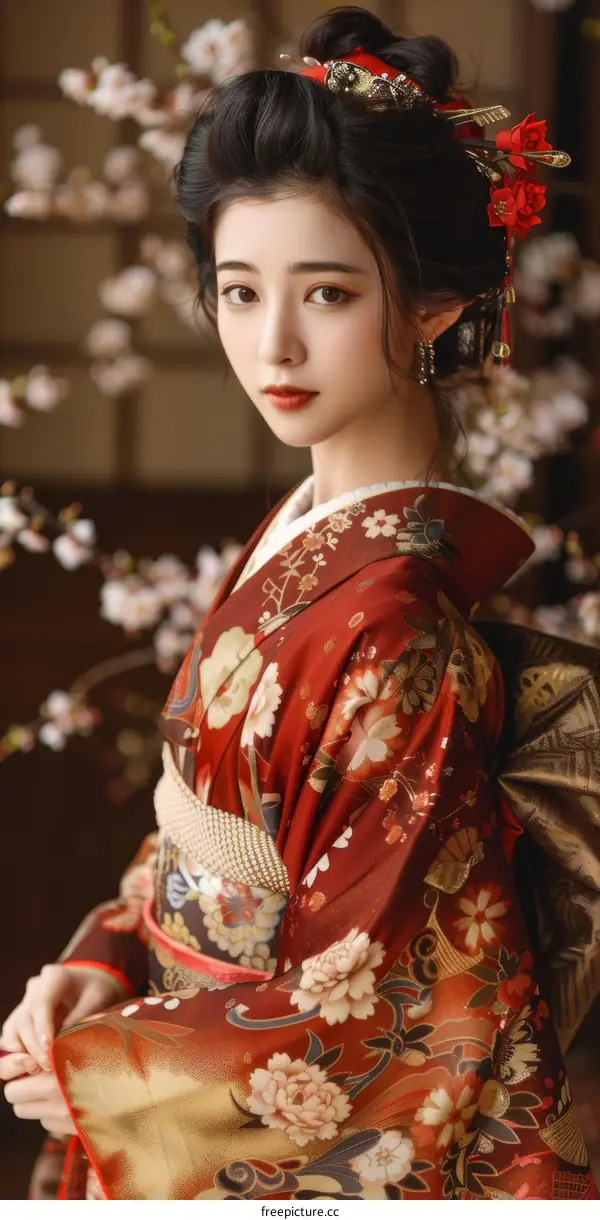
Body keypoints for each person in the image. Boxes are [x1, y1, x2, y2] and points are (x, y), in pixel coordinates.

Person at [2, 5, 599, 1202]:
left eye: (326, 293)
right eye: (237, 290)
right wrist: (110, 957)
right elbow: (209, 831)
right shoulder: (304, 534)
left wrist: (116, 1079)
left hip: (223, 1104)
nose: (271, 341)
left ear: (433, 304)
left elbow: (391, 1007)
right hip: (170, 1026)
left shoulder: (394, 621)